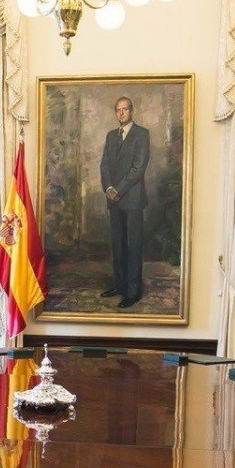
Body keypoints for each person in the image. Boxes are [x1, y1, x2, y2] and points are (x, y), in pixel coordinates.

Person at [99, 96, 150, 309]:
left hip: (132, 200)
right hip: (114, 200)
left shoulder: (142, 134)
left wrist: (117, 189)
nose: (121, 113)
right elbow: (104, 166)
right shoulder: (111, 136)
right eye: (118, 110)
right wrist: (108, 189)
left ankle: (133, 292)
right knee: (118, 246)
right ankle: (120, 285)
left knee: (132, 246)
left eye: (125, 109)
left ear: (132, 111)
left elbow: (138, 168)